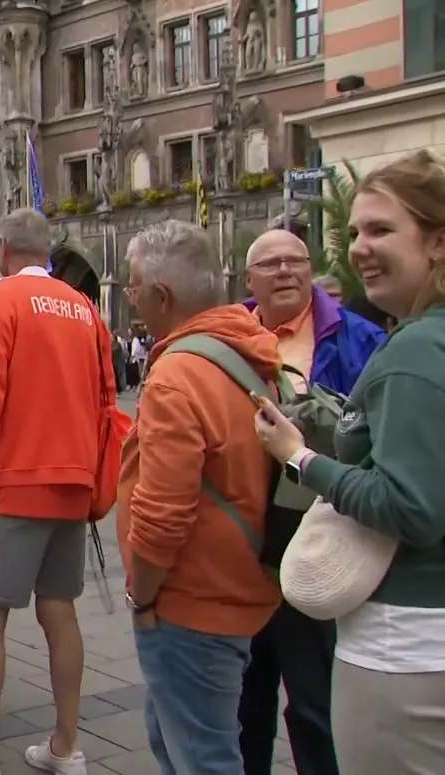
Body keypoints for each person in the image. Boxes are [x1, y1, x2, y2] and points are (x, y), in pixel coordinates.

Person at [255, 149, 445, 774]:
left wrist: (300, 457)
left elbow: (410, 508)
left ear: (438, 243)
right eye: (357, 231)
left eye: (382, 229)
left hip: (404, 647)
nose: (360, 248)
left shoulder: (413, 350)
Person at [0, 208, 116, 775]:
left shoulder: (0, 296)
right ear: (49, 251)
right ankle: (67, 746)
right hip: (73, 480)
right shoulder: (85, 306)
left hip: (13, 480)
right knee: (59, 610)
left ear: (2, 247)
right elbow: (107, 398)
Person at [118, 220, 283, 775]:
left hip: (190, 602)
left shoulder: (176, 376)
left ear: (161, 296)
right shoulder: (249, 353)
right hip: (241, 585)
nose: (131, 298)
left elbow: (161, 516)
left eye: (133, 287)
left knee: (202, 757)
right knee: (176, 736)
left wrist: (142, 598)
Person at [238, 228, 384, 775]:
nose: (284, 271)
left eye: (295, 261)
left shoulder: (360, 339)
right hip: (241, 543)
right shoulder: (227, 336)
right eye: (270, 263)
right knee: (243, 702)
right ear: (248, 279)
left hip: (319, 542)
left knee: (314, 703)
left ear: (309, 268)